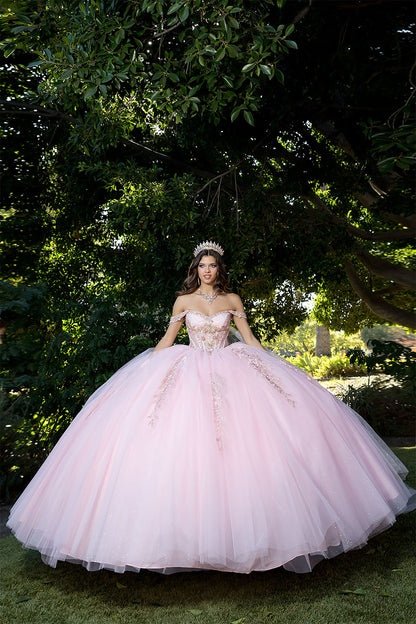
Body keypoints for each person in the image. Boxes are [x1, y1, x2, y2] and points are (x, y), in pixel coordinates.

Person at [7, 241, 415, 574]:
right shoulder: (182, 300)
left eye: (212, 265)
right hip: (186, 369)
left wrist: (278, 366)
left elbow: (248, 339)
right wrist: (144, 367)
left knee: (247, 443)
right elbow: (168, 340)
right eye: (202, 265)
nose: (207, 270)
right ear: (195, 268)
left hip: (230, 367)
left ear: (220, 269)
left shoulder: (233, 298)